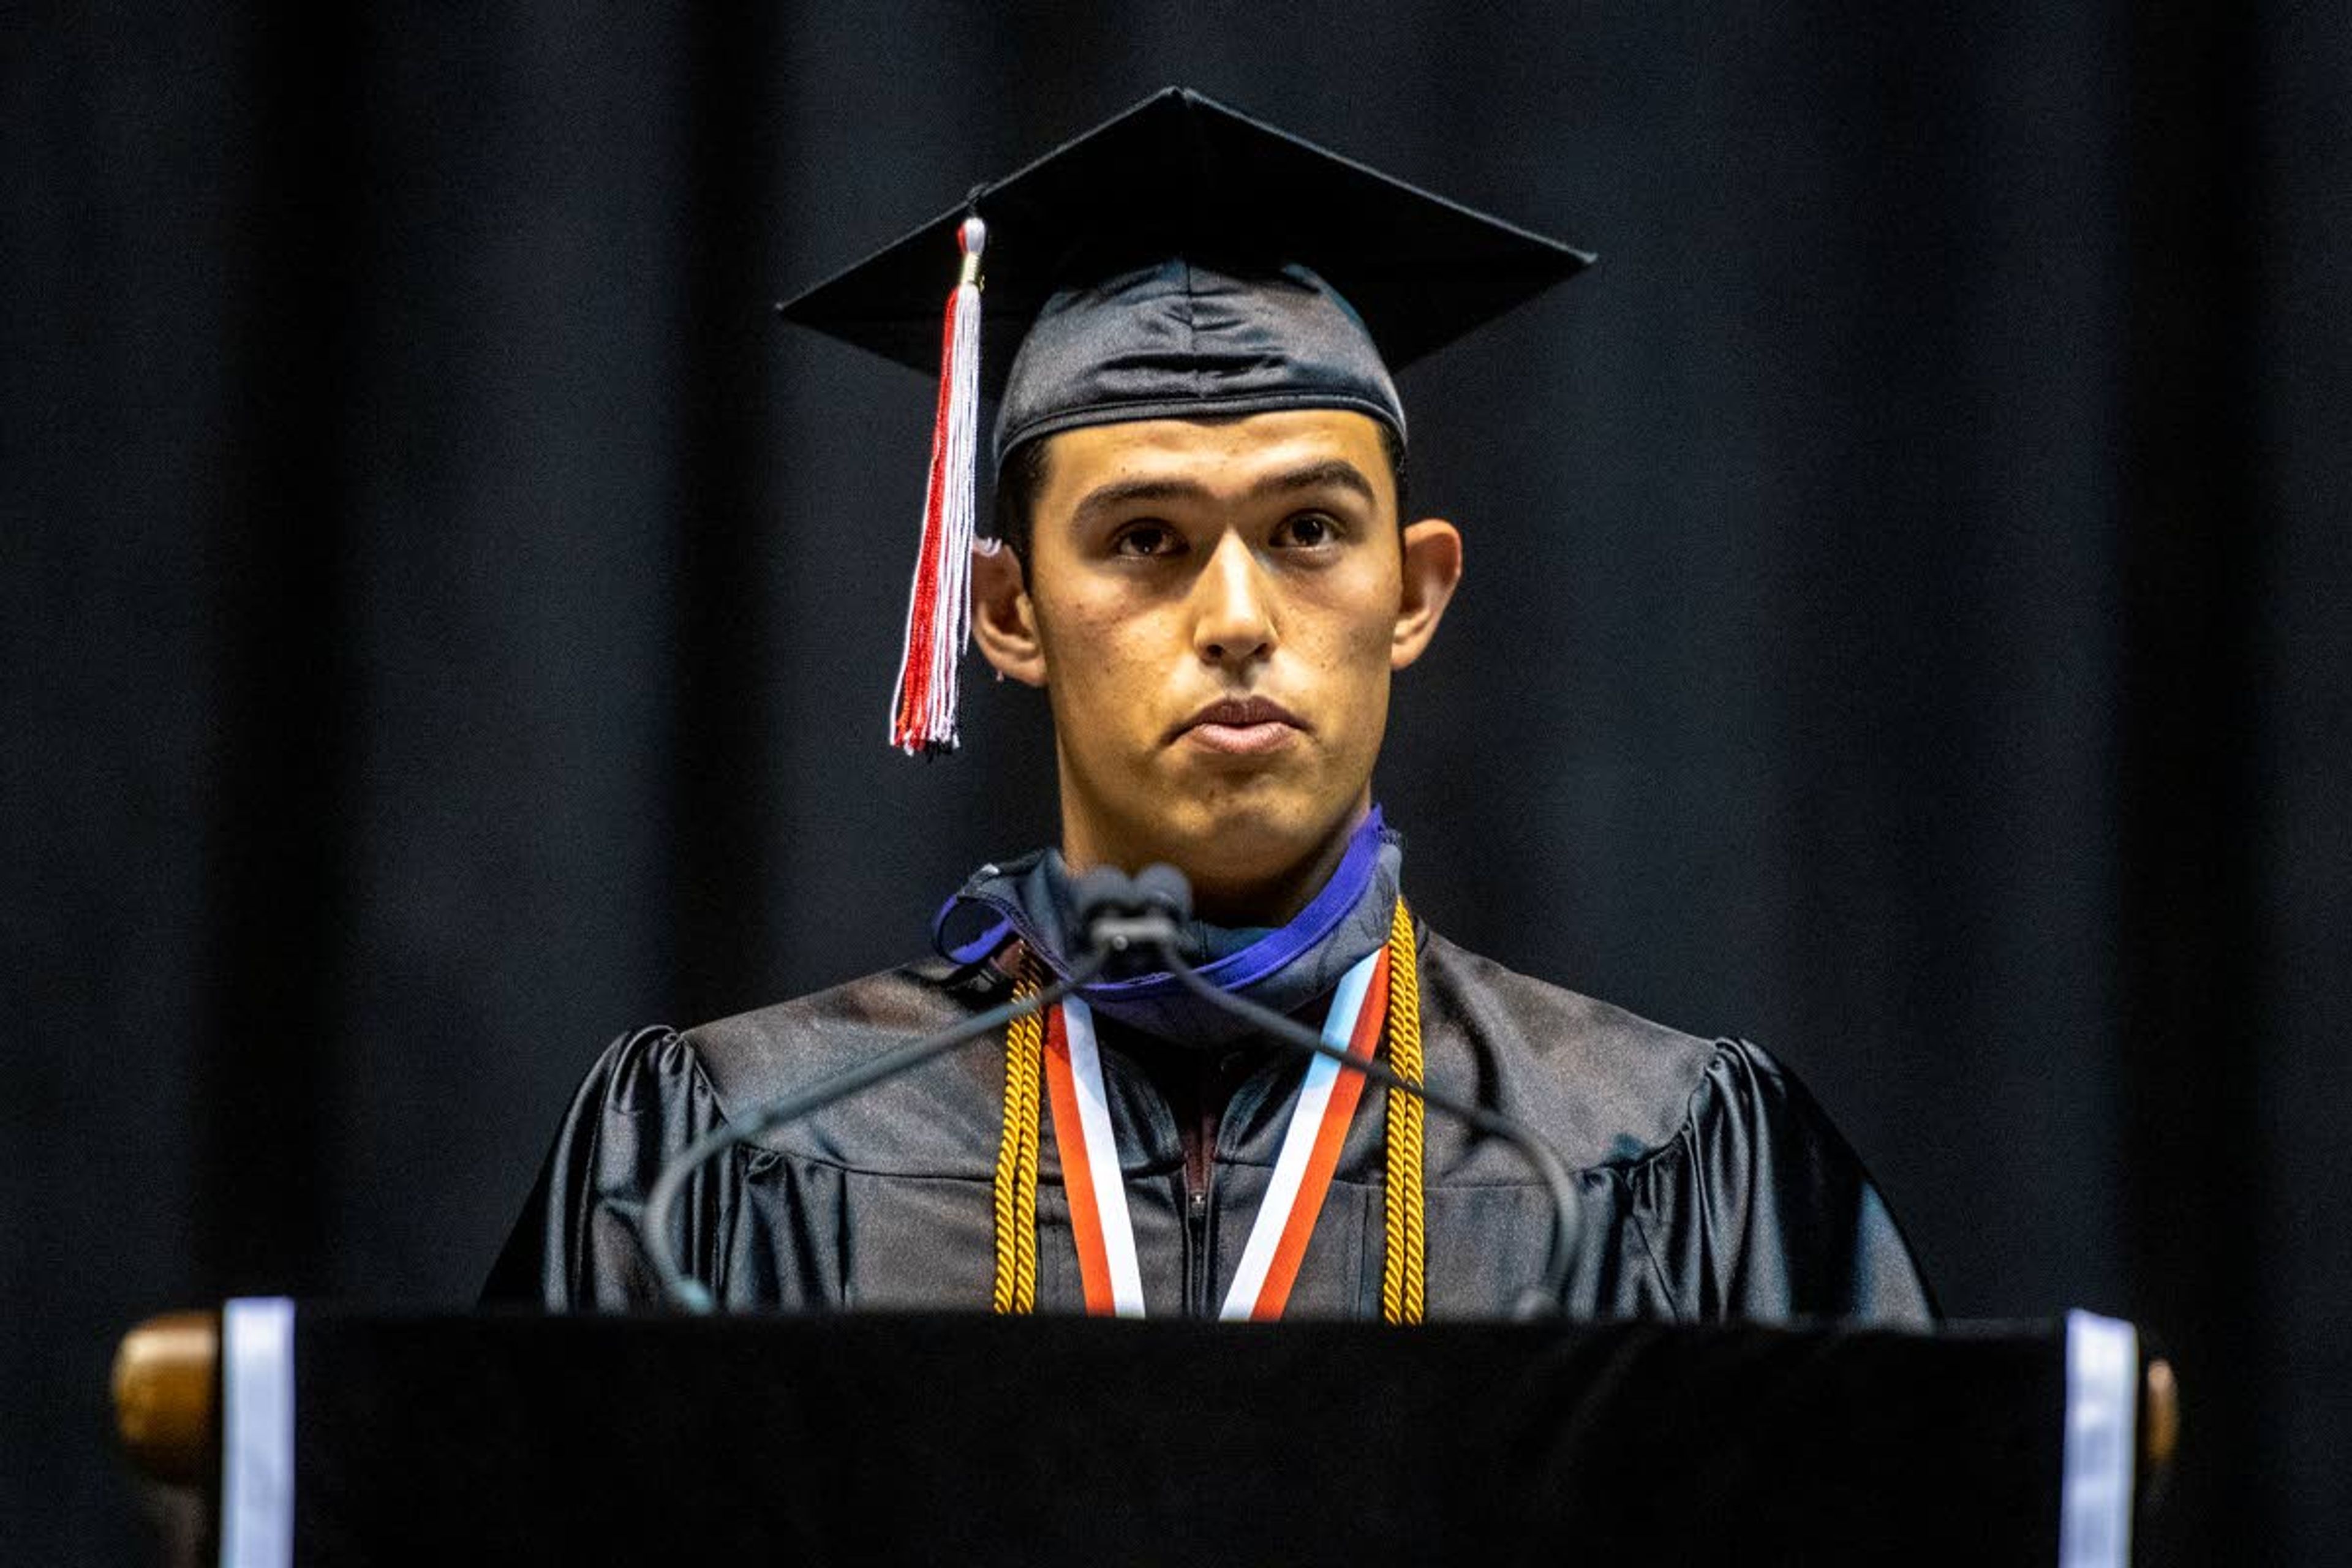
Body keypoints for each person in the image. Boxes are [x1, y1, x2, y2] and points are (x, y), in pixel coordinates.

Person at [486, 88, 1933, 1324]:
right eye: (1143, 539)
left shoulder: (1659, 1160)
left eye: (1310, 529)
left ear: (1416, 591)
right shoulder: (729, 1158)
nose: (1238, 617)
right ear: (1007, 611)